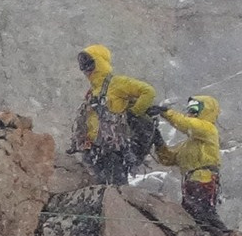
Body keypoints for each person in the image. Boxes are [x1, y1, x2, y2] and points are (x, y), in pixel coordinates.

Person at [73, 42, 161, 185]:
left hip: (113, 150)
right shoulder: (93, 90)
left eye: (89, 64)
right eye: (83, 66)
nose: (86, 70)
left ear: (99, 62)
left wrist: (134, 113)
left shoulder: (117, 83)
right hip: (93, 150)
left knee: (113, 187)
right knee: (99, 187)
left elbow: (148, 91)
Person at [155, 93, 223, 226]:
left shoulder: (208, 129)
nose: (190, 112)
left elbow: (187, 124)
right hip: (192, 183)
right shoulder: (190, 143)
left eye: (195, 108)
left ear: (206, 110)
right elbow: (168, 159)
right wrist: (158, 142)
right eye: (189, 109)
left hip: (204, 180)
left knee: (202, 213)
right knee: (195, 214)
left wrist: (165, 112)